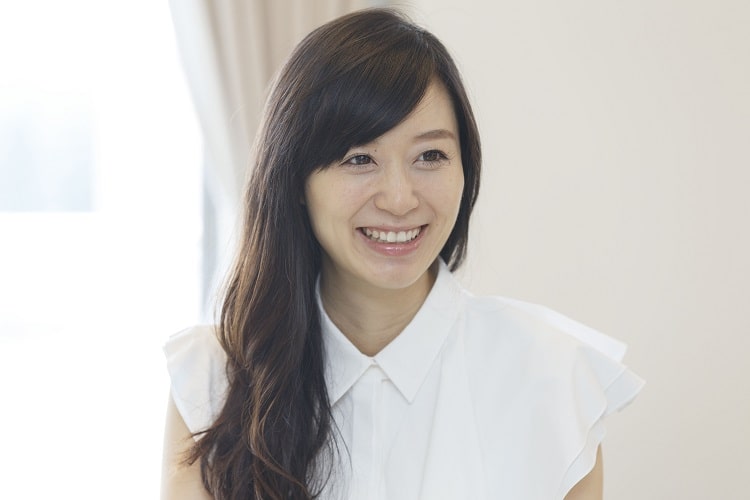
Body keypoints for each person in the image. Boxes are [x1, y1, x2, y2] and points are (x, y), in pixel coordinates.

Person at [161, 8, 643, 500]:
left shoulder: (552, 380)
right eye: (359, 159)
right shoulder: (212, 381)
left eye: (430, 156)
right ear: (296, 179)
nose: (399, 199)